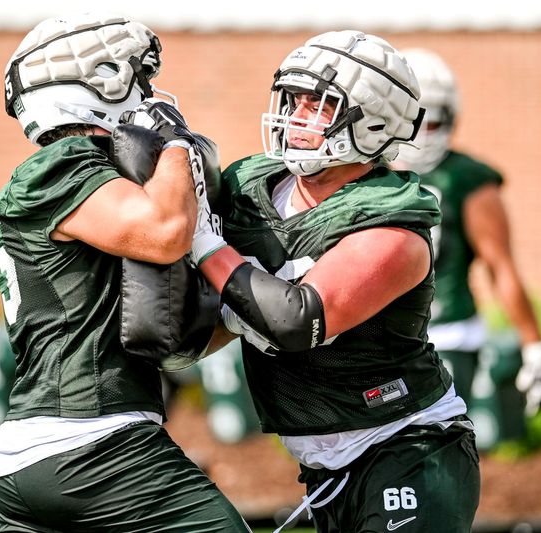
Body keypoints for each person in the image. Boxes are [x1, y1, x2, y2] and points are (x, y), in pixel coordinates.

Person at [189, 30, 480, 532]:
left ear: (371, 120)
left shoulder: (396, 223)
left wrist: (204, 245)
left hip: (406, 445)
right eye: (293, 100)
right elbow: (216, 311)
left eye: (318, 105)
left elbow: (295, 320)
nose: (296, 116)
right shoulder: (250, 187)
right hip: (323, 465)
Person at [0, 14, 250, 533]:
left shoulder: (92, 185)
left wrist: (245, 314)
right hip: (93, 445)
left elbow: (167, 343)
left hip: (43, 452)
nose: (147, 93)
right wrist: (175, 141)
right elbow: (166, 229)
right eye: (136, 78)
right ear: (93, 83)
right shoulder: (61, 162)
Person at [394, 48, 541, 416]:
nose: (420, 135)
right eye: (410, 121)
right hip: (376, 337)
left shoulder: (466, 178)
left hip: (447, 333)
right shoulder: (364, 171)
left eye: (432, 122)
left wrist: (534, 344)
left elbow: (499, 264)